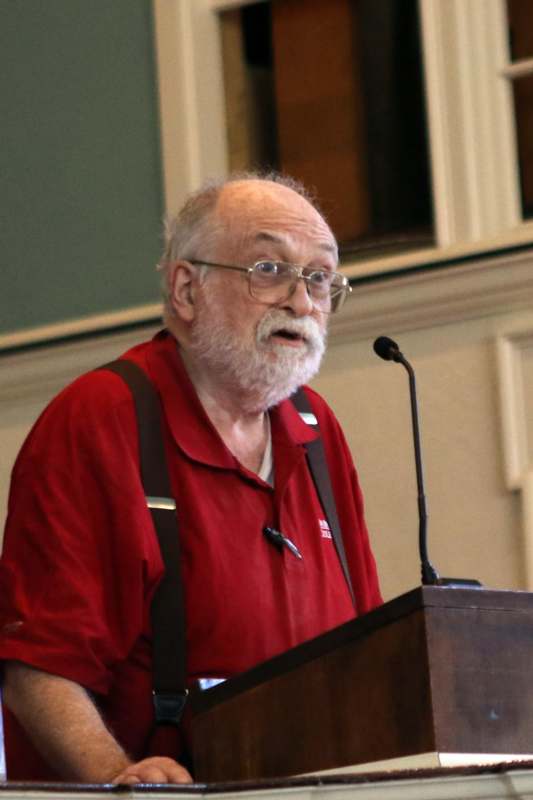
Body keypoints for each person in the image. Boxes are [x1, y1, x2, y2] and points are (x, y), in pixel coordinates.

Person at [0, 174, 381, 785]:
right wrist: (122, 778)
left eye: (320, 278)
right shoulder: (102, 418)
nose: (302, 301)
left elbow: (369, 650)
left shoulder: (314, 429)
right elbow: (36, 669)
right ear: (186, 288)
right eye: (268, 268)